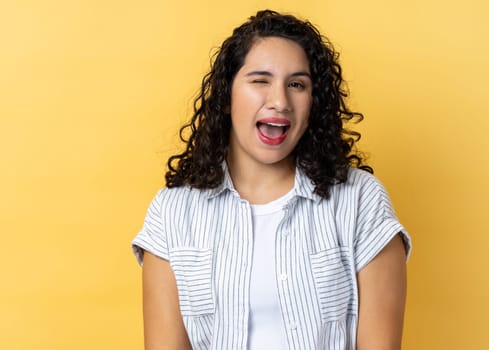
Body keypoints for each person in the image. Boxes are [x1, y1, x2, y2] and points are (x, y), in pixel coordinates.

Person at [132, 9, 411, 350]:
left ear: (314, 104)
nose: (280, 101)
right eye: (260, 80)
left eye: (297, 84)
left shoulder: (361, 202)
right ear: (226, 97)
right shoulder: (171, 214)